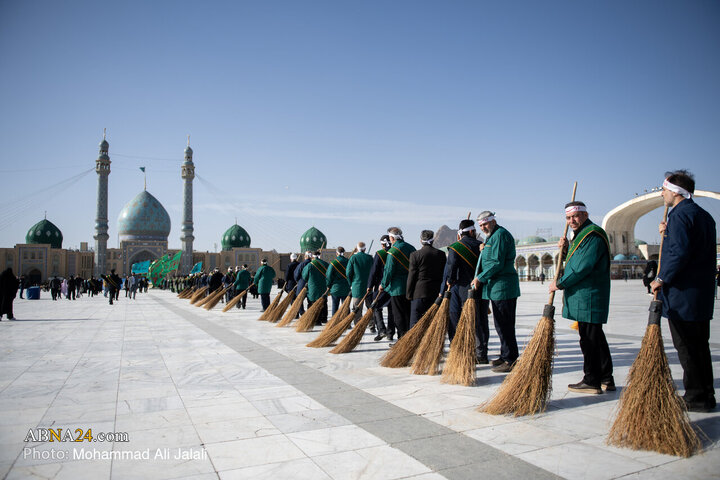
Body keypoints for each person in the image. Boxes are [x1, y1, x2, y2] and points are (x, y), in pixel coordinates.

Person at [650, 170, 716, 412]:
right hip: (700, 295)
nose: (662, 194)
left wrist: (661, 278)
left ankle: (695, 398)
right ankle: (705, 395)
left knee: (687, 348)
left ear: (676, 192)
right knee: (700, 347)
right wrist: (666, 234)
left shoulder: (679, 217)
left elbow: (679, 253)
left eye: (665, 190)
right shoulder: (704, 216)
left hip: (683, 295)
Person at [549, 201, 613, 394]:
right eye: (568, 218)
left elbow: (582, 267)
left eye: (575, 216)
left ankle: (591, 380)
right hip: (583, 295)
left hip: (589, 295)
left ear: (585, 214)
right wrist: (566, 248)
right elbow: (575, 260)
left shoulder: (592, 234)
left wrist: (559, 283)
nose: (572, 221)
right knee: (595, 338)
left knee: (589, 340)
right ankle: (606, 378)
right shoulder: (579, 236)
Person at [471, 211, 521, 373]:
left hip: (503, 287)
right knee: (500, 324)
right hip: (496, 287)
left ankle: (510, 359)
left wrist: (480, 277)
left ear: (493, 221)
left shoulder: (500, 235)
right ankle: (504, 354)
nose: (483, 227)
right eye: (481, 226)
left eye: (485, 224)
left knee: (505, 324)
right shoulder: (492, 237)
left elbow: (497, 263)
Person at [444, 221, 489, 364]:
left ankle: (470, 350)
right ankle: (482, 353)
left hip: (464, 289)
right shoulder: (481, 245)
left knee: (471, 320)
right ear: (471, 232)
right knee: (481, 320)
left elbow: (451, 267)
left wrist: (449, 281)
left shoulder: (456, 247)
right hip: (481, 287)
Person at [379, 227, 416, 341]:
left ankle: (402, 339)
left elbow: (389, 270)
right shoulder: (411, 248)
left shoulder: (393, 251)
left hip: (397, 288)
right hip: (411, 286)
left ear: (392, 238)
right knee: (408, 314)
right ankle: (410, 337)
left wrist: (383, 284)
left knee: (399, 315)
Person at [407, 230, 446, 329]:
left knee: (415, 324)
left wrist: (409, 294)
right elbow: (443, 274)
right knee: (433, 323)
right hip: (436, 293)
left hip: (419, 293)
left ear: (421, 241)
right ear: (433, 241)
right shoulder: (441, 254)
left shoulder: (415, 255)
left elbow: (412, 276)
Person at [367, 235, 394, 341]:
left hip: (381, 287)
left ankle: (381, 330)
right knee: (392, 310)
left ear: (382, 244)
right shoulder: (395, 252)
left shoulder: (379, 254)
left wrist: (369, 286)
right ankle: (390, 333)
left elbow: (373, 272)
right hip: (393, 287)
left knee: (376, 307)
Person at [346, 242, 373, 325]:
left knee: (357, 309)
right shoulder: (370, 258)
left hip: (357, 287)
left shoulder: (353, 258)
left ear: (357, 248)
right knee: (370, 308)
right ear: (365, 249)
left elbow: (348, 273)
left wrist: (351, 283)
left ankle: (357, 325)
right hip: (369, 287)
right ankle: (372, 325)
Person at [302, 251, 329, 325]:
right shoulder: (326, 264)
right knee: (323, 303)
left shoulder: (309, 265)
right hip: (323, 288)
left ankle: (314, 319)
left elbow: (304, 276)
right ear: (320, 256)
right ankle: (323, 319)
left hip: (312, 289)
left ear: (313, 256)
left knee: (312, 303)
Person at [326, 247, 350, 315]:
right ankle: (347, 323)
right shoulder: (348, 261)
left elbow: (329, 276)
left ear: (336, 253)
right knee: (346, 306)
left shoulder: (333, 263)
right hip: (346, 288)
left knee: (335, 306)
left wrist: (328, 285)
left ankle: (334, 323)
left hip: (335, 288)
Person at [294, 252, 313, 316]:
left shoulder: (302, 264)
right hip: (312, 285)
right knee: (310, 300)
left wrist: (297, 281)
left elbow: (296, 275)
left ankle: (302, 313)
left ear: (305, 256)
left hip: (302, 284)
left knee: (299, 299)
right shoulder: (313, 264)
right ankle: (310, 313)